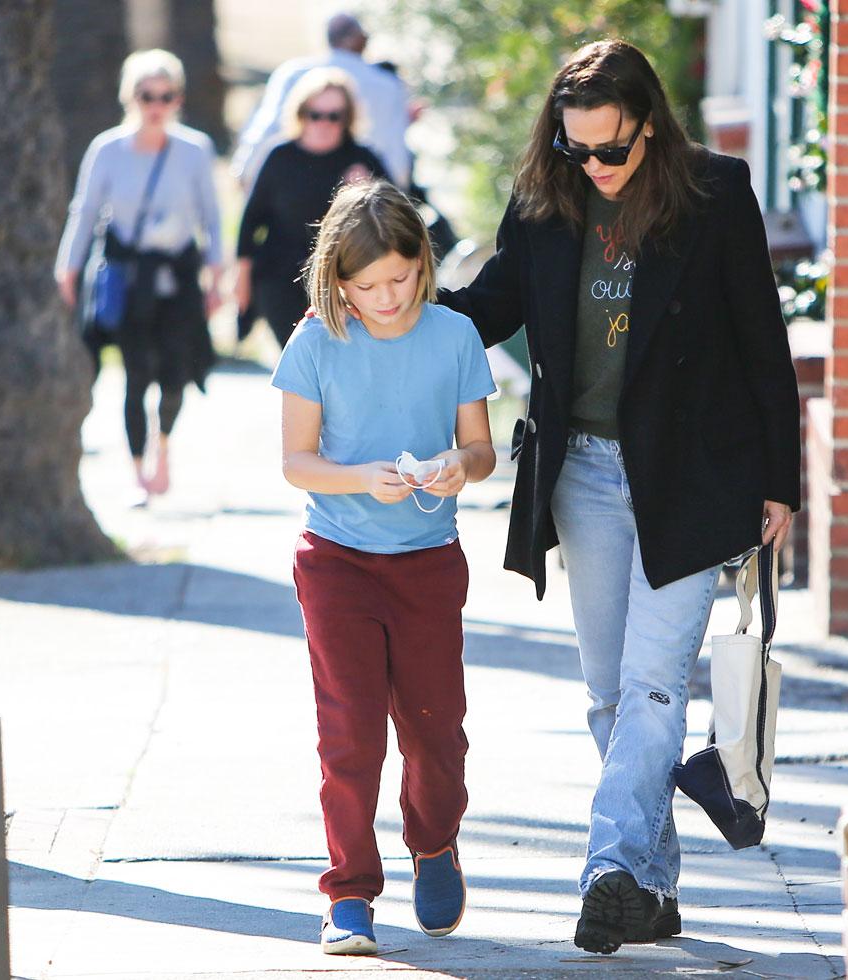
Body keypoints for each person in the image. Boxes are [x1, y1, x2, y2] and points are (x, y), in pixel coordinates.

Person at [437, 39, 801, 954]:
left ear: (650, 129)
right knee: (608, 694)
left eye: (612, 148)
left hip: (694, 478)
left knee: (651, 684)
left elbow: (765, 341)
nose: (594, 166)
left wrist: (780, 483)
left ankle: (606, 870)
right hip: (585, 478)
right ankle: (650, 886)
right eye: (577, 149)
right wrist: (392, 302)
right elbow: (490, 309)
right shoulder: (542, 206)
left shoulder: (715, 196)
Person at [273, 180, 497, 955]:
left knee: (437, 734)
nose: (387, 297)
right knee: (351, 735)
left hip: (429, 564)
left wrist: (453, 466)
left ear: (421, 265)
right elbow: (296, 463)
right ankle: (349, 895)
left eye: (400, 279)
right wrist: (361, 475)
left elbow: (482, 450)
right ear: (338, 282)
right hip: (337, 563)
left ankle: (434, 842)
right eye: (367, 287)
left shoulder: (454, 337)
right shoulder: (313, 345)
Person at [55, 48, 223, 500]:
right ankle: (136, 473)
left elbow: (211, 217)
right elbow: (84, 212)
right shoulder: (107, 149)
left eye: (166, 96)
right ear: (130, 97)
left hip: (179, 278)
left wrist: (217, 276)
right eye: (147, 94)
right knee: (135, 374)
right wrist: (68, 269)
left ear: (178, 100)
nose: (156, 105)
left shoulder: (194, 150)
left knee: (174, 374)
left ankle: (162, 447)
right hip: (129, 280)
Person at [236, 69, 385, 348]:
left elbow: (392, 222)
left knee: (338, 361)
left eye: (334, 116)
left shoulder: (362, 159)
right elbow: (251, 220)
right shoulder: (280, 156)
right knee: (298, 359)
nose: (323, 123)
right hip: (280, 278)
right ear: (301, 113)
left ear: (347, 118)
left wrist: (367, 191)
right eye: (315, 114)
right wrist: (242, 281)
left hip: (342, 281)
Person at [232, 13, 411, 192]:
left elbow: (268, 128)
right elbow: (395, 149)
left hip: (297, 185)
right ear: (360, 40)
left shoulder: (292, 73)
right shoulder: (387, 85)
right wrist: (396, 194)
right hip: (361, 191)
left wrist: (245, 172)